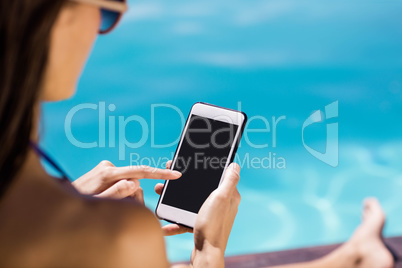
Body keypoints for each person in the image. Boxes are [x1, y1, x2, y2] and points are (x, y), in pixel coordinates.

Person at [0, 0, 395, 267]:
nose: (102, 31)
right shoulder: (115, 236)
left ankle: (350, 257)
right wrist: (209, 250)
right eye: (107, 12)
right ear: (57, 15)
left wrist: (64, 197)